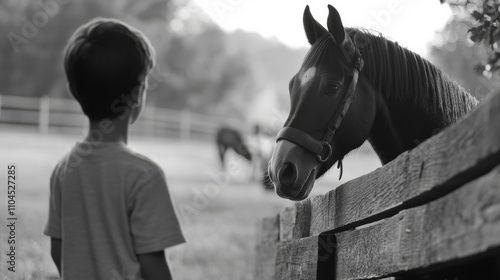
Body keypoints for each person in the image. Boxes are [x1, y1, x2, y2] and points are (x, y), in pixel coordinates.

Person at [43, 18, 185, 280]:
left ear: (73, 91)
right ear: (139, 93)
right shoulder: (146, 175)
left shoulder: (64, 168)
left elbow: (57, 249)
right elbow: (154, 266)